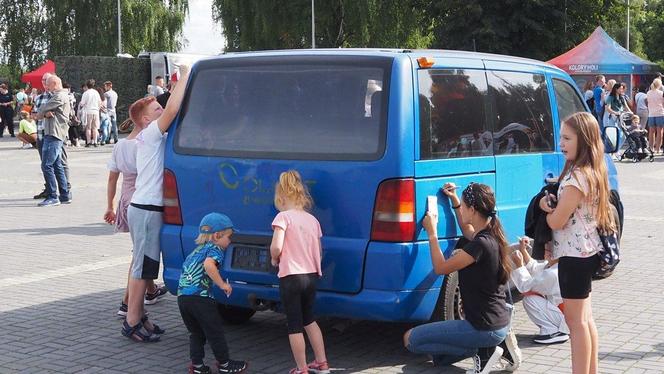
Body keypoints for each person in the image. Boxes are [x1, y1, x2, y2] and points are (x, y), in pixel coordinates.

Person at [403, 182, 520, 374]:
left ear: (473, 210)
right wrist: (456, 201)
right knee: (440, 359)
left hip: (483, 327)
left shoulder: (480, 245)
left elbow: (440, 268)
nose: (462, 210)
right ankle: (491, 347)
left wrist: (432, 232)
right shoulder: (492, 235)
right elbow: (467, 230)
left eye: (465, 206)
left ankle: (484, 351)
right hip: (497, 322)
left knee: (410, 339)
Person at [539, 112, 614, 374]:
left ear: (583, 140)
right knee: (585, 319)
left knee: (575, 323)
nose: (561, 142)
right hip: (587, 253)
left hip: (575, 257)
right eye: (561, 136)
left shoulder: (577, 177)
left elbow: (557, 221)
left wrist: (544, 208)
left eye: (567, 138)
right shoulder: (593, 171)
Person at [122, 64, 190, 343]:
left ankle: (140, 316)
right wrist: (185, 75)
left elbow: (172, 106)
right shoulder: (150, 135)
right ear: (145, 121)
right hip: (147, 210)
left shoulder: (148, 135)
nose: (161, 111)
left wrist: (176, 88)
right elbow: (173, 109)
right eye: (155, 111)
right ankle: (132, 320)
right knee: (143, 268)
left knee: (145, 266)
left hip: (145, 209)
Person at [103, 118, 167, 318]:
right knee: (140, 255)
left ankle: (150, 291)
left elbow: (112, 178)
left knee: (140, 251)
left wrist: (109, 205)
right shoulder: (148, 143)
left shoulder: (120, 145)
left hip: (126, 200)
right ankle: (127, 303)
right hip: (143, 199)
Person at [270, 170, 330, 374]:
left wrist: (274, 258)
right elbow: (318, 251)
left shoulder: (283, 218)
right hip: (311, 276)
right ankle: (322, 363)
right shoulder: (313, 221)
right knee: (309, 319)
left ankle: (301, 368)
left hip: (291, 277)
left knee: (294, 324)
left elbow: (277, 247)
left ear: (281, 197)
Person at [177, 212, 248, 374]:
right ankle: (224, 364)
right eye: (229, 237)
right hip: (201, 299)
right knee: (215, 331)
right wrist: (222, 284)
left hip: (183, 298)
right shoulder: (215, 249)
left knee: (196, 332)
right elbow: (209, 266)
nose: (230, 241)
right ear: (217, 235)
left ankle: (197, 366)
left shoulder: (195, 252)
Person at [510, 239, 569, 345]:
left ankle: (553, 331)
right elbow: (536, 268)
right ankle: (555, 328)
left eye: (546, 250)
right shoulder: (557, 266)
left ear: (552, 254)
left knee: (530, 299)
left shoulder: (553, 273)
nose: (543, 252)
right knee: (533, 297)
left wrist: (519, 265)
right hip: (566, 314)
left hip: (564, 318)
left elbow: (526, 286)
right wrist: (523, 250)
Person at [35, 75, 71, 207]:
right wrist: (43, 114)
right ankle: (65, 195)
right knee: (57, 165)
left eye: (48, 84)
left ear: (55, 84)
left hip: (54, 134)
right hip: (54, 133)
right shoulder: (60, 95)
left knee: (46, 165)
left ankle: (52, 196)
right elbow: (43, 111)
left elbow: (43, 108)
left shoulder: (59, 96)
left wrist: (41, 113)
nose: (46, 87)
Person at [79, 79, 101, 147]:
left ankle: (88, 142)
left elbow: (82, 103)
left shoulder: (86, 93)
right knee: (95, 127)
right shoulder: (96, 92)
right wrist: (98, 108)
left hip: (88, 111)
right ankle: (95, 141)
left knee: (88, 127)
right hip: (96, 111)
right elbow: (99, 102)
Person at [646, 78, 664, 155]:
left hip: (651, 113)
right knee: (660, 132)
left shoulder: (648, 93)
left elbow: (647, 102)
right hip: (660, 113)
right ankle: (658, 149)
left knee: (651, 131)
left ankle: (651, 148)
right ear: (659, 85)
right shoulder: (661, 93)